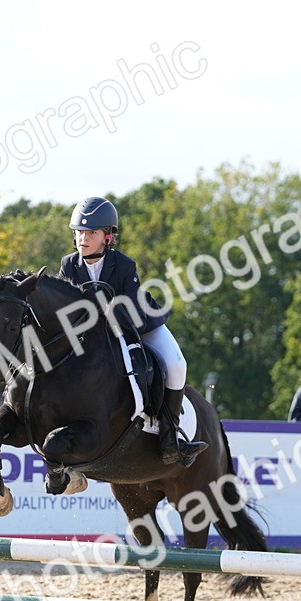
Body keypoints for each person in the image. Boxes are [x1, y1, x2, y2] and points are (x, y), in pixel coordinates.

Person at [58, 196, 206, 467]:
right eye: (79, 232)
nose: (83, 238)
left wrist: (100, 314)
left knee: (176, 364)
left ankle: (170, 436)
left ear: (107, 237)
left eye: (91, 233)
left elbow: (130, 307)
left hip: (138, 323)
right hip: (93, 334)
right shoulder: (69, 266)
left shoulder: (124, 265)